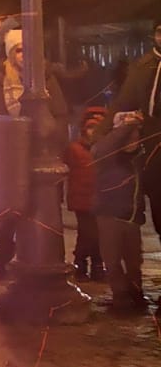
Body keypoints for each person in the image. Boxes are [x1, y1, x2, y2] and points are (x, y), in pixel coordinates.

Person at [0, 28, 69, 280]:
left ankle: (41, 264)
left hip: (39, 156)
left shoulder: (44, 78)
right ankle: (3, 264)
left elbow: (59, 115)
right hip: (4, 157)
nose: (23, 55)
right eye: (18, 49)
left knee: (38, 211)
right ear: (9, 53)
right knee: (5, 212)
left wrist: (51, 141)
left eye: (27, 50)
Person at [92, 110, 148, 315]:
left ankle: (135, 293)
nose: (134, 139)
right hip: (109, 216)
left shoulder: (140, 157)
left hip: (132, 218)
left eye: (136, 135)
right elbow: (101, 148)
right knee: (113, 260)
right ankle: (121, 297)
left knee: (134, 261)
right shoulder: (107, 158)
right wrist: (126, 127)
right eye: (129, 136)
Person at [110, 20, 161, 238]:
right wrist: (100, 135)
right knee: (157, 199)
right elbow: (123, 102)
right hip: (151, 141)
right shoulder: (143, 65)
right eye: (160, 32)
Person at [64, 109, 106, 282]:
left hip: (100, 200)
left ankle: (94, 266)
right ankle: (82, 265)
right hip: (82, 200)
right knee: (89, 234)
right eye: (91, 127)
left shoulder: (104, 149)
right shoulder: (74, 149)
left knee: (95, 234)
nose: (93, 131)